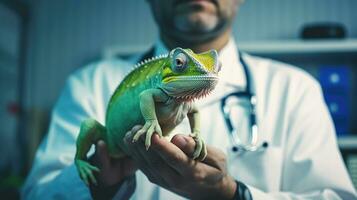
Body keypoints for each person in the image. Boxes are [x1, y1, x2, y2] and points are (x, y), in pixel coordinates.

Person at [22, 0, 356, 199]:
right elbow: (35, 195)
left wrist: (234, 194)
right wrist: (99, 187)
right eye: (181, 63)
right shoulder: (91, 83)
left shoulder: (295, 88)